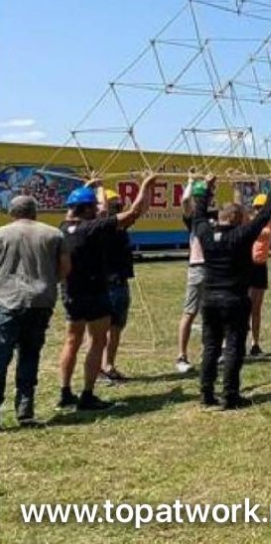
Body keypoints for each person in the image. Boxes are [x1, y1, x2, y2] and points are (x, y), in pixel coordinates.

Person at [57, 174, 155, 411]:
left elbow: (89, 211)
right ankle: (87, 395)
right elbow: (133, 212)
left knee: (72, 341)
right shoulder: (93, 229)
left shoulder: (64, 228)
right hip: (94, 292)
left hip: (70, 292)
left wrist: (90, 187)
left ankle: (65, 392)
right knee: (98, 341)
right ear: (89, 208)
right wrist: (146, 185)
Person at [192, 174, 271, 409]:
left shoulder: (207, 234)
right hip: (234, 300)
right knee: (233, 347)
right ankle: (230, 395)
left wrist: (205, 188)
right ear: (236, 219)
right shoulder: (239, 236)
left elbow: (198, 214)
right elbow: (264, 216)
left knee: (210, 348)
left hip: (209, 299)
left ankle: (206, 394)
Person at [0, 195, 70, 426]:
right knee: (30, 355)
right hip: (40, 301)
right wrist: (49, 282)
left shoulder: (2, 233)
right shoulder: (54, 234)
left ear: (12, 212)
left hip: (7, 301)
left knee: (2, 356)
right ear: (35, 211)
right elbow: (65, 268)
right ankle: (25, 409)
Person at [97, 185, 135, 384]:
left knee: (115, 328)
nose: (119, 207)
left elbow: (137, 210)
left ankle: (106, 366)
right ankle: (102, 368)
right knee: (105, 329)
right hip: (110, 284)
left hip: (117, 282)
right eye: (115, 205)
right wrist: (99, 186)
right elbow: (103, 211)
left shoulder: (115, 227)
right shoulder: (101, 226)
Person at [177, 173, 208, 374]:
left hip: (213, 269)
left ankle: (211, 351)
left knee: (211, 313)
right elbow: (185, 200)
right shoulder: (193, 219)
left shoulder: (209, 217)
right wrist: (190, 181)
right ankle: (181, 356)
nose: (197, 201)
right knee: (190, 312)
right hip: (197, 268)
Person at [248, 191, 271, 358]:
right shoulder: (249, 223)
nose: (260, 210)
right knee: (243, 307)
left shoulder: (269, 224)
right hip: (248, 266)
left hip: (261, 267)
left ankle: (255, 343)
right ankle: (237, 341)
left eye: (262, 208)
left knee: (256, 309)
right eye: (257, 208)